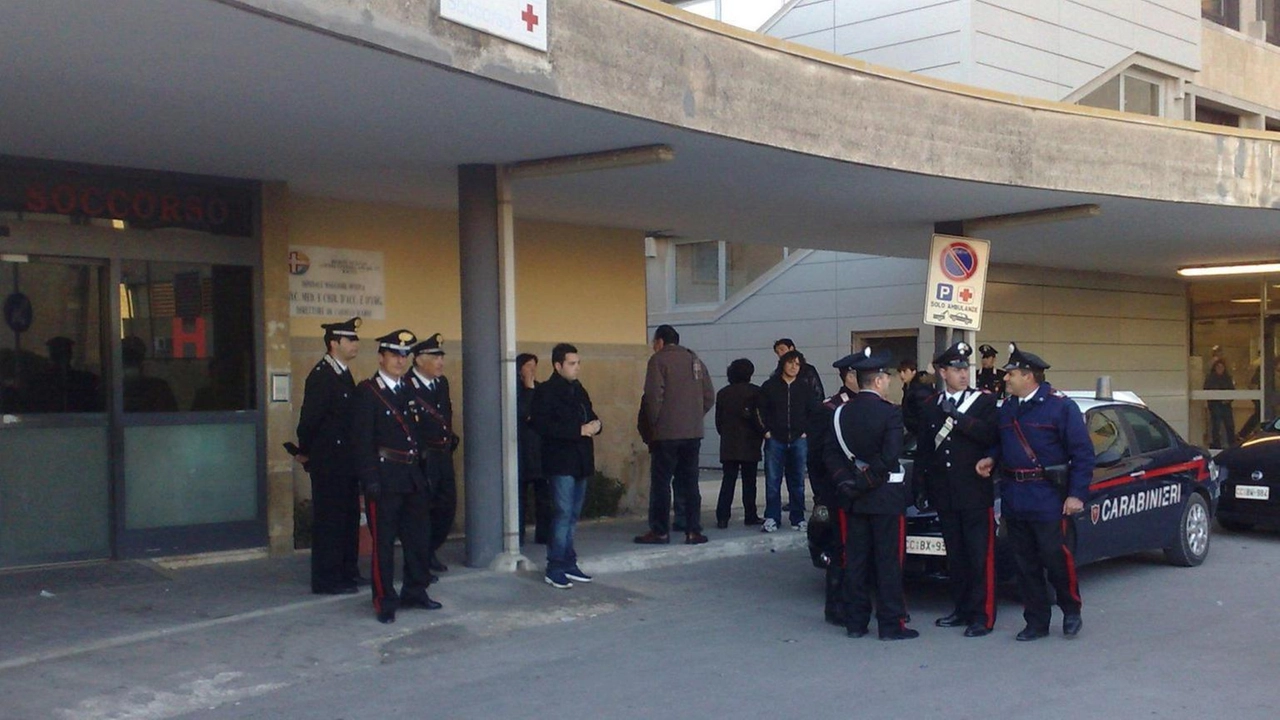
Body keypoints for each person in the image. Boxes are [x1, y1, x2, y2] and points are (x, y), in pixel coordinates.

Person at [976, 343, 1093, 641]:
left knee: (1055, 557)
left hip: (1047, 496)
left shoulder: (1060, 407)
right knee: (1024, 562)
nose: (1005, 379)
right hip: (1015, 495)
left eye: (1011, 374)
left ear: (1028, 376)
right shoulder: (1009, 408)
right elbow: (1002, 444)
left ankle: (1071, 610)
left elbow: (1082, 454)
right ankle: (1036, 620)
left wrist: (1076, 494)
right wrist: (991, 458)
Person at [823, 346, 917, 641]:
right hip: (885, 497)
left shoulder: (840, 413)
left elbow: (830, 455)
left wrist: (846, 484)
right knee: (888, 563)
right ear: (877, 381)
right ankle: (891, 624)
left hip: (853, 499)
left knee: (857, 561)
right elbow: (890, 457)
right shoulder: (890, 413)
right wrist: (867, 482)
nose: (888, 381)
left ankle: (856, 622)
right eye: (886, 377)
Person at [351, 329, 441, 623]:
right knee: (384, 544)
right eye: (394, 355)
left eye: (404, 355)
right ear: (381, 357)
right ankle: (384, 599)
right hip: (385, 476)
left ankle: (415, 591)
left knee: (417, 540)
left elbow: (419, 435)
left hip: (411, 476)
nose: (400, 361)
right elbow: (361, 440)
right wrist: (369, 479)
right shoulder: (368, 392)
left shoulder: (408, 390)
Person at [914, 342, 999, 637]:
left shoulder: (983, 401)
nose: (963, 374)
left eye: (966, 369)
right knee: (956, 555)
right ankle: (961, 608)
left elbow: (990, 434)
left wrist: (957, 417)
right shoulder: (930, 405)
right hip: (945, 491)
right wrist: (921, 485)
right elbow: (925, 450)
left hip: (975, 492)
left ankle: (983, 615)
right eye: (957, 369)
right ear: (942, 372)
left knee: (979, 555)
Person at [295, 317, 364, 595]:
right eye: (350, 339)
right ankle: (327, 578)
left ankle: (347, 572)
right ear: (334, 343)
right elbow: (309, 420)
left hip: (346, 461)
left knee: (347, 519)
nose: (355, 344)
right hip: (329, 461)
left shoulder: (343, 372)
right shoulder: (322, 375)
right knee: (330, 521)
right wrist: (306, 452)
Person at [635, 325, 715, 545]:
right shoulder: (694, 359)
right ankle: (693, 530)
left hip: (666, 434)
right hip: (692, 433)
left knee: (661, 484)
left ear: (659, 341)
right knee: (690, 482)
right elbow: (709, 395)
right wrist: (694, 416)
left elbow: (653, 397)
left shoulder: (658, 360)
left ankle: (660, 531)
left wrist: (656, 423)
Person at [530, 343, 601, 588]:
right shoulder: (547, 392)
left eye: (578, 363)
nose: (576, 368)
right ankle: (555, 565)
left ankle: (569, 562)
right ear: (558, 365)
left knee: (572, 515)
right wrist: (578, 430)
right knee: (561, 513)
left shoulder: (579, 389)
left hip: (581, 461)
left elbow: (591, 413)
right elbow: (542, 426)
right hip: (560, 461)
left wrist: (596, 425)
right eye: (572, 363)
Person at [807, 355, 860, 626]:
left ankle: (857, 603)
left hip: (865, 493)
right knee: (841, 550)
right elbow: (816, 457)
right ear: (849, 377)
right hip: (838, 492)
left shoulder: (870, 405)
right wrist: (822, 495)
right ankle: (836, 606)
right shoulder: (828, 409)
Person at [405, 333, 457, 574]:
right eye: (434, 357)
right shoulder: (407, 385)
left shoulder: (441, 383)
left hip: (442, 454)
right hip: (422, 458)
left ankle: (429, 551)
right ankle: (419, 560)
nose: (440, 362)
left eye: (441, 357)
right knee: (421, 512)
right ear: (417, 359)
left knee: (446, 507)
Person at [758, 349, 820, 533]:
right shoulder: (769, 386)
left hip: (798, 439)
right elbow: (760, 410)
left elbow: (814, 412)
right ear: (782, 364)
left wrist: (806, 431)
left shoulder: (805, 387)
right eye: (791, 363)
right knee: (772, 480)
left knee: (798, 481)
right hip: (774, 439)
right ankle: (772, 517)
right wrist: (765, 431)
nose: (794, 367)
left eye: (798, 364)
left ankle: (798, 517)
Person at [714, 358, 766, 529]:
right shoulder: (756, 392)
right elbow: (760, 418)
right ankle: (750, 514)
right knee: (749, 481)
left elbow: (719, 422)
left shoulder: (723, 393)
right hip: (750, 442)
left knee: (728, 480)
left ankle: (722, 517)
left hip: (729, 443)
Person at [516, 352, 552, 545]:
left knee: (543, 496)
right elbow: (522, 414)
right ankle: (518, 535)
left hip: (539, 450)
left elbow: (541, 416)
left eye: (534, 366)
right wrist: (529, 391)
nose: (532, 370)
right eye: (528, 366)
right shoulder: (516, 389)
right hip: (521, 451)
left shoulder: (540, 389)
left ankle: (544, 534)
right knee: (519, 497)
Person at [772, 338, 825, 403]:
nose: (780, 354)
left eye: (782, 350)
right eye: (777, 352)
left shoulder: (808, 370)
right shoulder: (777, 373)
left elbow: (818, 393)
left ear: (791, 348)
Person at [898, 358, 934, 440]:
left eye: (904, 371)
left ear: (913, 372)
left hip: (920, 433)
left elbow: (923, 415)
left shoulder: (919, 391)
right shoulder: (909, 389)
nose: (902, 375)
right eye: (900, 372)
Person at [1204, 358, 1235, 449]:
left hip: (1226, 405)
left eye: (1222, 367)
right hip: (1215, 405)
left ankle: (1232, 444)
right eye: (1218, 366)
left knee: (1229, 425)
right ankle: (1216, 445)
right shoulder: (1210, 378)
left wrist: (1228, 400)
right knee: (1216, 426)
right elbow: (1207, 391)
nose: (1220, 369)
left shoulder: (1227, 378)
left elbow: (1232, 391)